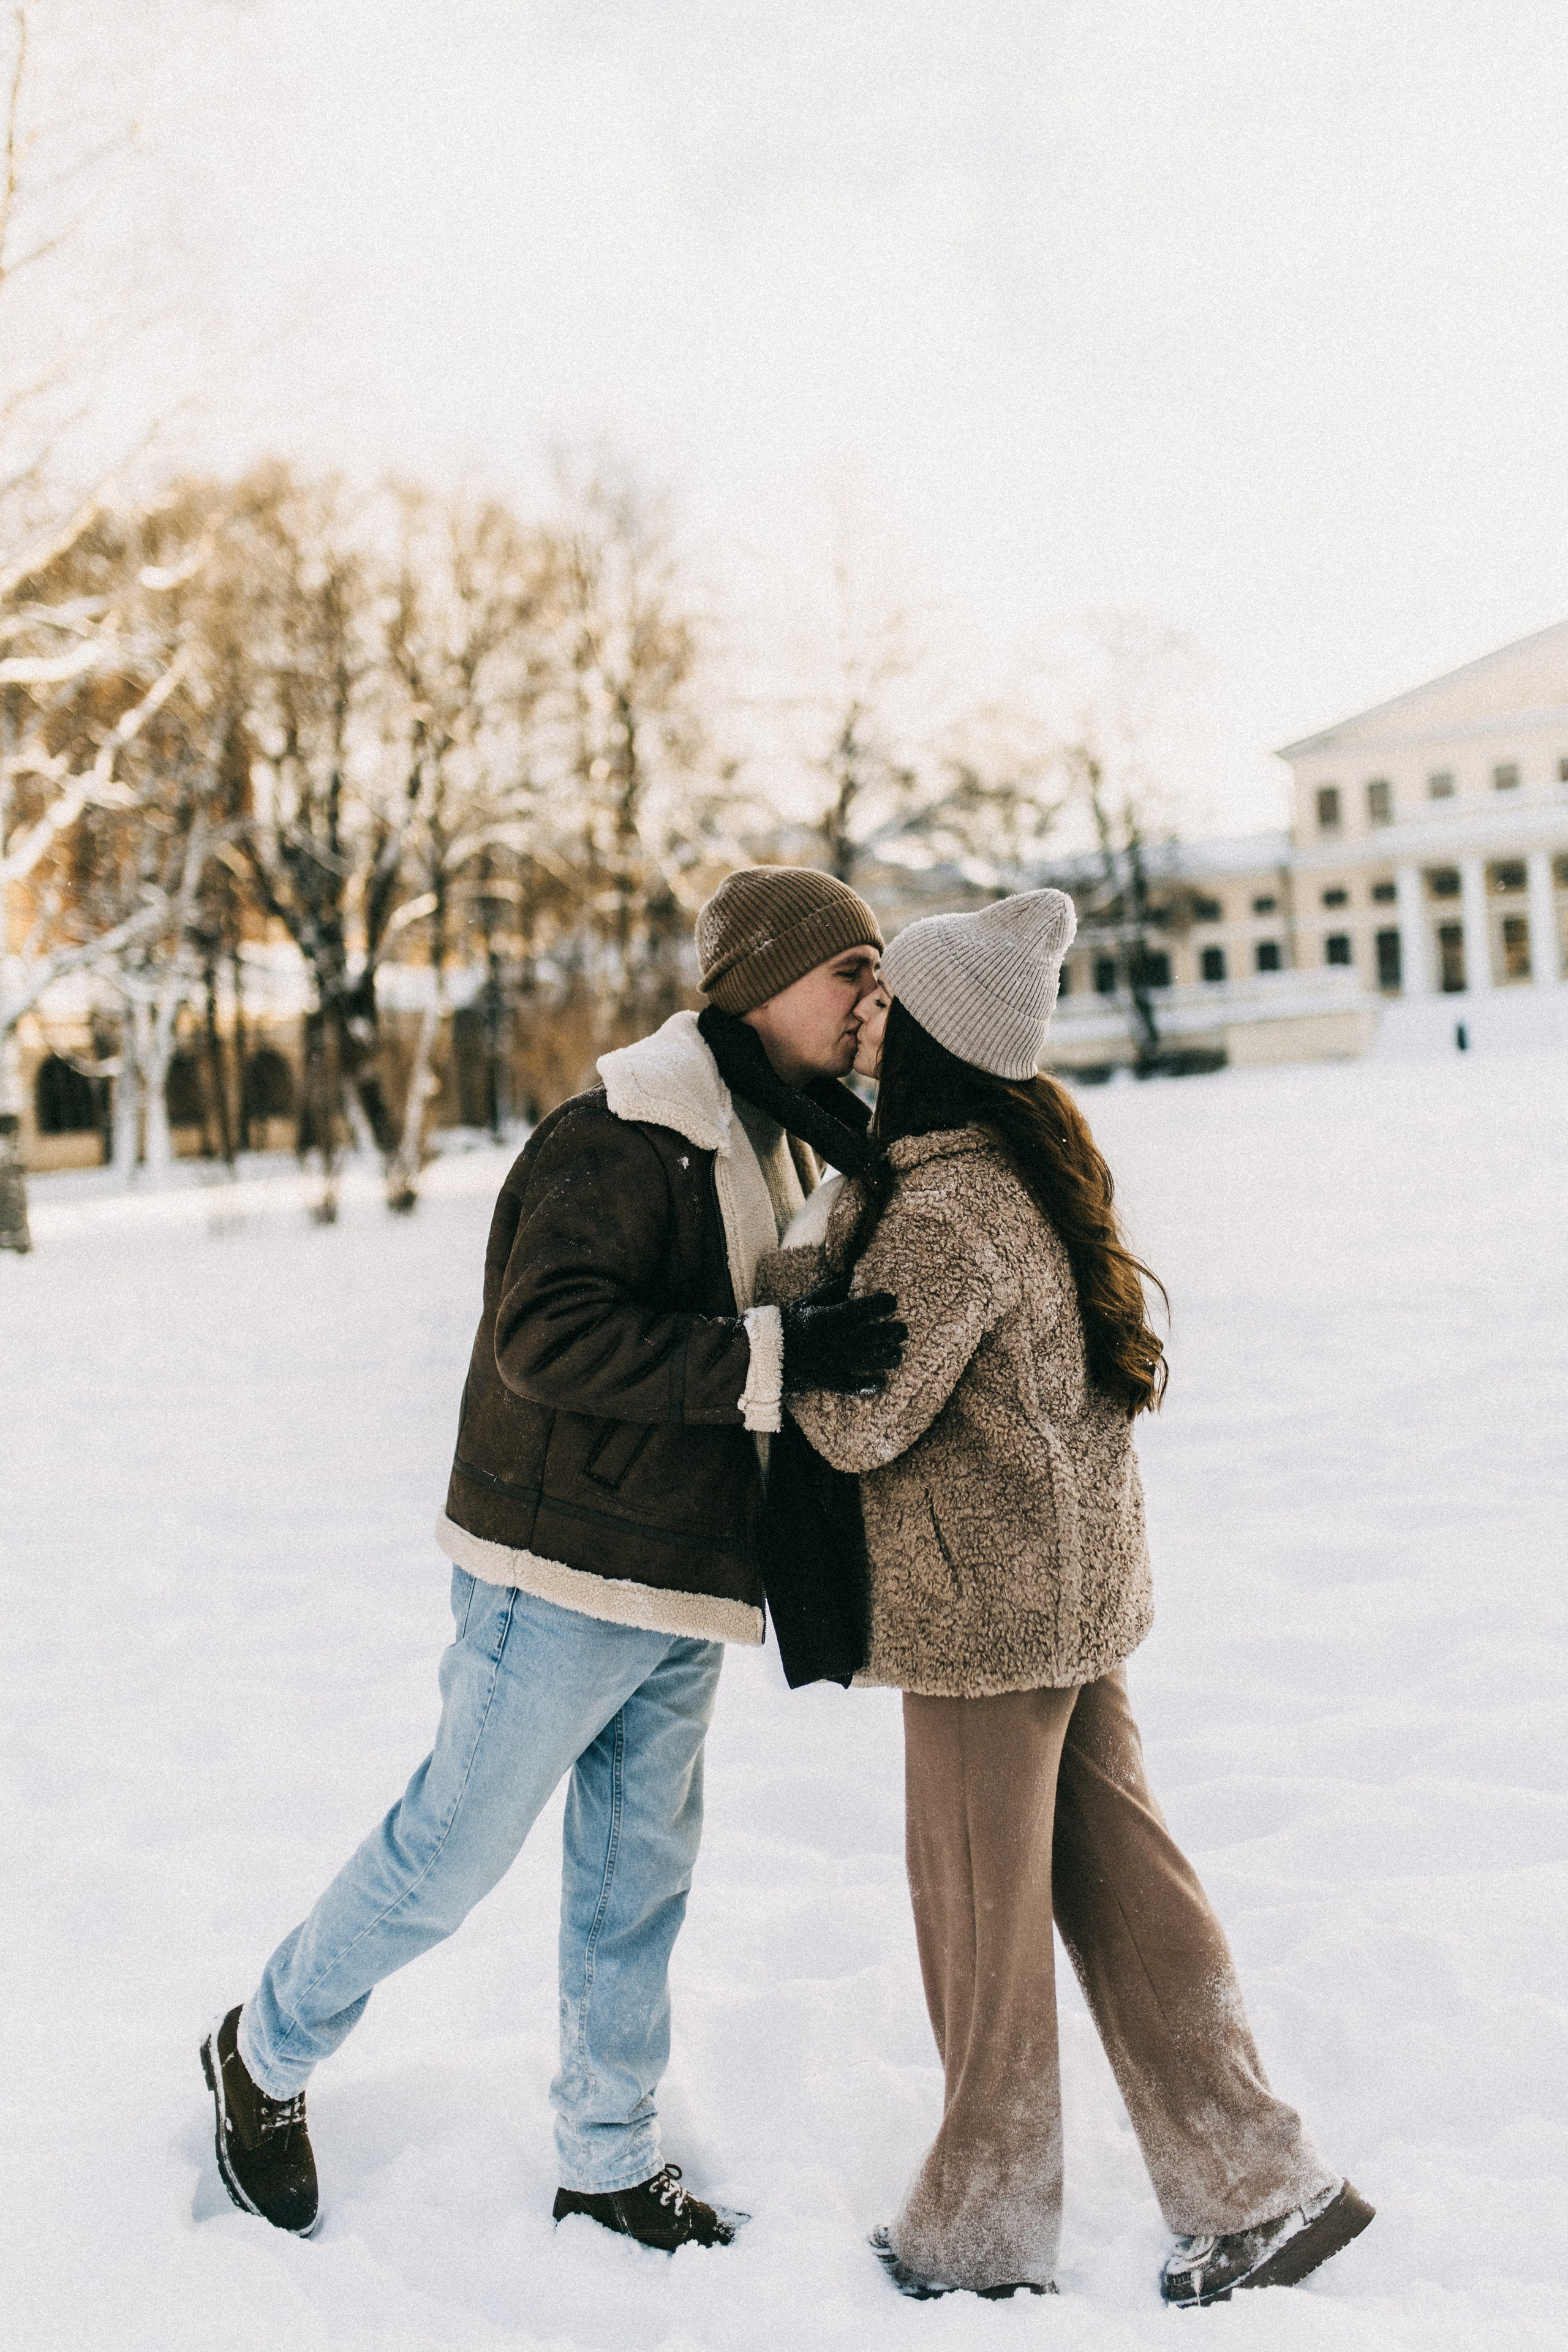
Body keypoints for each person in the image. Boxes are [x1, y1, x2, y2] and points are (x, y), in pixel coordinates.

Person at [201, 865, 906, 2250]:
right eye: (851, 972)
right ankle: (261, 2052)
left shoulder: (786, 1134)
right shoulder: (626, 1132)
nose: (872, 998)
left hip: (687, 1575)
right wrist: (772, 1356)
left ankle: (606, 2159)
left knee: (636, 1883)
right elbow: (548, 1338)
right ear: (762, 984)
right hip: (559, 1572)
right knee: (449, 1855)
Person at [756, 889, 1374, 2307]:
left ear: (935, 1036)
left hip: (982, 1621)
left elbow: (858, 1422)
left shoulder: (940, 1210)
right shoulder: (1012, 1167)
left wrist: (794, 1273)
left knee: (977, 1921)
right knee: (1126, 1893)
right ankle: (1258, 2184)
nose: (865, 1011)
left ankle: (976, 2236)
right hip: (1064, 1601)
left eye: (887, 998)